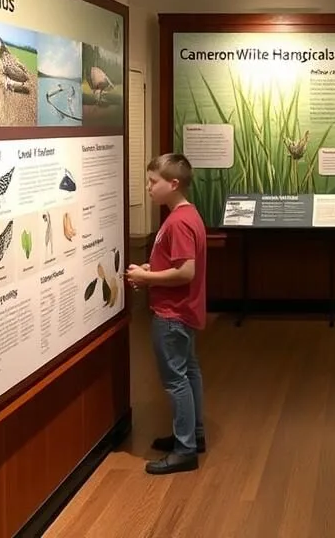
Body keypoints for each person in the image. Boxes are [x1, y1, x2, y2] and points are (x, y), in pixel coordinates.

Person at [125, 153, 208, 475]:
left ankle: (185, 449)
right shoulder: (186, 216)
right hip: (183, 311)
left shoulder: (178, 222)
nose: (148, 187)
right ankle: (193, 435)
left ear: (173, 184)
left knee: (176, 380)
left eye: (153, 182)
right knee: (189, 372)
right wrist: (151, 268)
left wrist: (146, 278)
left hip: (172, 314)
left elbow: (186, 272)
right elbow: (175, 263)